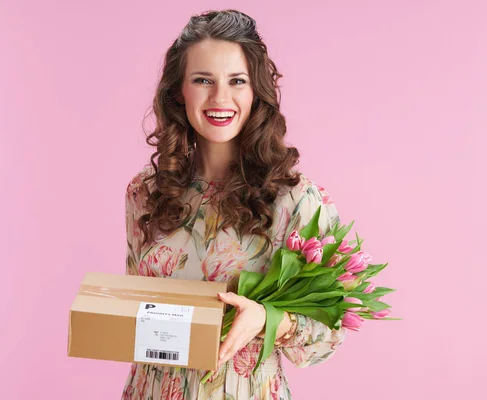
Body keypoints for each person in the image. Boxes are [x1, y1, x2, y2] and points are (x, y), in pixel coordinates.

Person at [122, 9, 345, 400]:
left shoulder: (295, 199)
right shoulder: (147, 192)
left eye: (236, 81)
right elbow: (136, 314)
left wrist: (268, 318)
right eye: (203, 80)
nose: (220, 98)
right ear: (179, 92)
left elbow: (328, 334)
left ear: (255, 90)